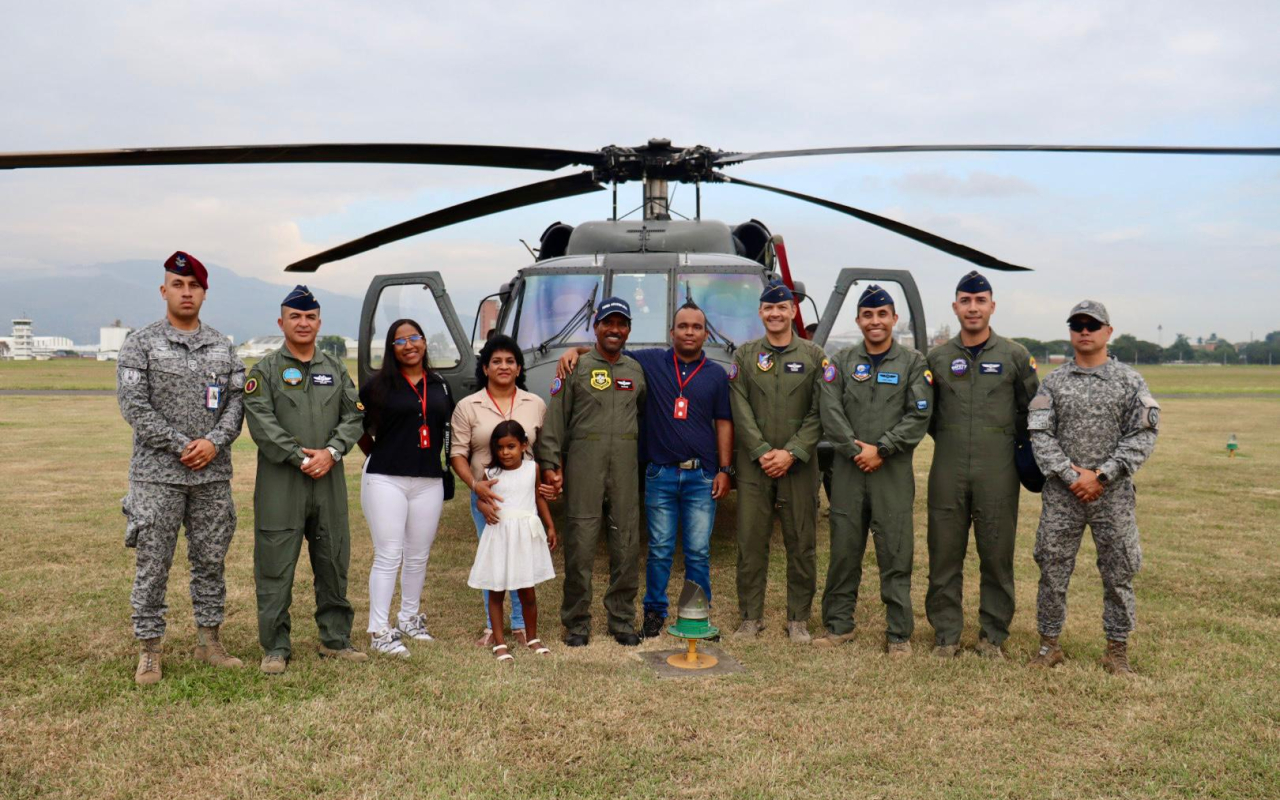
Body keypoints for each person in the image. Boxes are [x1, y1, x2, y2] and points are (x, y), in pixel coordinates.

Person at [556, 301, 734, 639]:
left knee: (698, 550)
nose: (689, 332)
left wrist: (725, 468)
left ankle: (697, 615)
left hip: (701, 475)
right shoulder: (649, 362)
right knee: (660, 549)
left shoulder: (715, 374)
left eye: (696, 327)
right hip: (661, 475)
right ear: (672, 333)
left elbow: (723, 422)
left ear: (705, 333)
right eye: (683, 326)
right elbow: (609, 350)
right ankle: (654, 612)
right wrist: (575, 350)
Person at [117, 251, 246, 685]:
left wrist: (213, 442)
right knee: (154, 564)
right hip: (157, 476)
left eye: (193, 286)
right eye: (178, 284)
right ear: (164, 291)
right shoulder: (141, 343)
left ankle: (209, 639)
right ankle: (149, 649)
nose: (186, 292)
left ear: (204, 293)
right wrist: (180, 444)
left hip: (211, 475)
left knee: (211, 559)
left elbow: (235, 405)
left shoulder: (223, 346)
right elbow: (134, 405)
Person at [1027, 300, 1159, 676]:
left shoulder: (1130, 381)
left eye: (1092, 325)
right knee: (1052, 570)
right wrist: (1072, 477)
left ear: (1108, 332)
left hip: (1112, 496)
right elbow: (1040, 433)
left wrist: (1101, 475)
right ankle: (1048, 644)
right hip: (1062, 497)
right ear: (1071, 331)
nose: (1085, 331)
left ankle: (1117, 651)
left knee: (1119, 573)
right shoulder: (1053, 382)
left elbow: (1143, 435)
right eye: (1077, 324)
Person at [243, 285, 366, 674]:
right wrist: (301, 458)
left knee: (333, 557)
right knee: (275, 562)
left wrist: (331, 453)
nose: (303, 323)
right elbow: (262, 425)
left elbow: (355, 415)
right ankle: (275, 647)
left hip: (328, 478)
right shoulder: (265, 371)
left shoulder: (335, 368)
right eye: (295, 317)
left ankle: (335, 639)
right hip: (282, 482)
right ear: (281, 322)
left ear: (319, 322)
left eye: (310, 317)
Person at [924, 271, 1039, 659]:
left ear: (992, 306)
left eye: (980, 301)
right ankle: (946, 635)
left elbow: (1033, 411)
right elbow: (927, 416)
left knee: (996, 554)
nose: (973, 308)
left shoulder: (1015, 356)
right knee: (943, 554)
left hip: (999, 470)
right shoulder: (937, 358)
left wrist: (1017, 450)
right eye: (965, 301)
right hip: (948, 467)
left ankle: (992, 637)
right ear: (955, 307)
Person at [814, 285, 932, 655]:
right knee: (844, 550)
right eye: (868, 315)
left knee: (895, 552)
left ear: (894, 319)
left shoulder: (914, 363)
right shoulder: (842, 361)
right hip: (848, 471)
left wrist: (882, 448)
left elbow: (920, 414)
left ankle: (898, 634)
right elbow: (829, 410)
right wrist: (854, 450)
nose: (875, 321)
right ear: (858, 321)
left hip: (891, 472)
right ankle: (839, 625)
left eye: (882, 314)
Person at [535, 297, 647, 647]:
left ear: (628, 329)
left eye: (621, 324)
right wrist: (551, 465)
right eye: (608, 323)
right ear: (596, 326)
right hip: (585, 463)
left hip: (625, 467)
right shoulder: (576, 368)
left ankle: (622, 618)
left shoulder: (636, 370)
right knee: (581, 544)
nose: (615, 329)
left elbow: (641, 412)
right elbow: (555, 420)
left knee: (626, 542)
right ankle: (577, 622)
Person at [730, 280, 826, 644]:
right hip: (755, 467)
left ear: (793, 311)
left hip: (799, 466)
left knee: (801, 542)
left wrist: (792, 452)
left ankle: (798, 619)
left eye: (782, 307)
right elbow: (739, 408)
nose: (775, 313)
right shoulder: (744, 356)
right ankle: (750, 618)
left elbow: (820, 412)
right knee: (750, 542)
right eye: (768, 308)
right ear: (760, 312)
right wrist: (761, 452)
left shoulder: (815, 357)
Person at [357, 319, 454, 657]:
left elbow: (445, 429)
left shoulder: (440, 384)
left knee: (418, 555)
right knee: (389, 554)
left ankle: (410, 618)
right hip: (386, 477)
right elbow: (356, 425)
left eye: (415, 337)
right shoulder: (377, 385)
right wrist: (378, 453)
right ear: (391, 348)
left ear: (425, 342)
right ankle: (379, 630)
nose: (409, 344)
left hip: (428, 479)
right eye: (401, 340)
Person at [450, 334, 549, 647]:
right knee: (493, 557)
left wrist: (549, 481)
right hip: (487, 495)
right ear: (485, 367)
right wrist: (476, 486)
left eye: (510, 361)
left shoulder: (535, 404)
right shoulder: (468, 406)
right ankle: (492, 628)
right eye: (496, 361)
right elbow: (457, 454)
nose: (503, 366)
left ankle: (520, 625)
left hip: (523, 497)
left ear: (519, 368)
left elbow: (544, 450)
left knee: (521, 557)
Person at [467, 420, 559, 663]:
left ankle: (532, 637)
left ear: (524, 445)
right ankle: (499, 642)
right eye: (500, 448)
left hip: (524, 537)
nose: (505, 452)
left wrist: (550, 526)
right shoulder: (491, 473)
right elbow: (480, 499)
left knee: (527, 591)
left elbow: (539, 499)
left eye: (511, 446)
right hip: (500, 535)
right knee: (496, 592)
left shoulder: (532, 469)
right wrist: (484, 507)